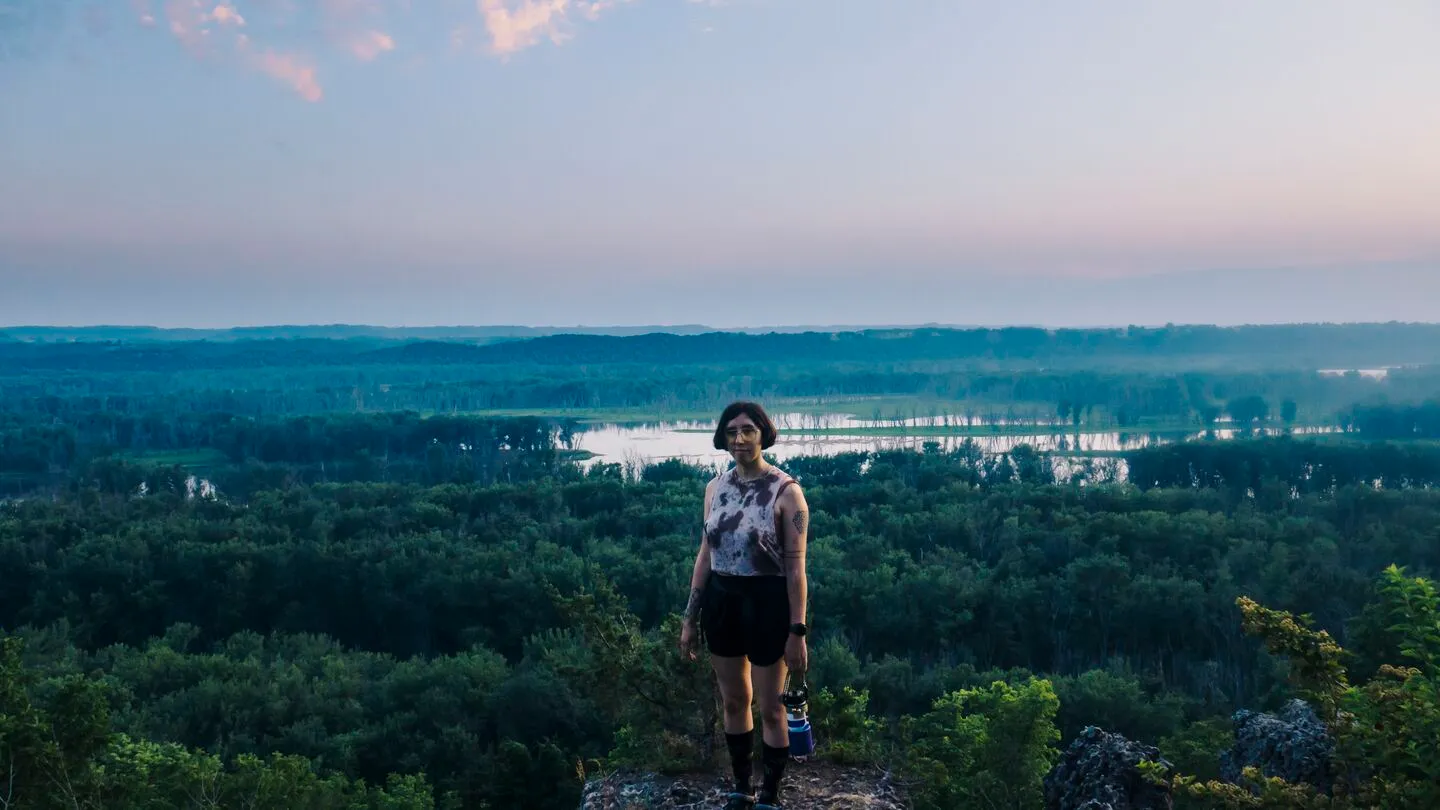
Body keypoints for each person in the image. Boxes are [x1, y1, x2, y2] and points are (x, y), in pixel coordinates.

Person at [679, 401, 810, 810]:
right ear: (723, 437)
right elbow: (705, 554)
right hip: (723, 601)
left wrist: (797, 631)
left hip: (768, 603)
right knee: (734, 701)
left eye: (748, 430)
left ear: (763, 433)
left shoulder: (787, 493)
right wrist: (690, 616)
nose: (739, 438)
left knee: (770, 707)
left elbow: (795, 571)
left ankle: (769, 792)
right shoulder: (714, 489)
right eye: (732, 431)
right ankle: (741, 787)